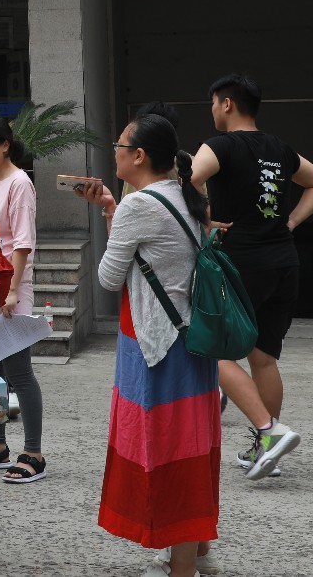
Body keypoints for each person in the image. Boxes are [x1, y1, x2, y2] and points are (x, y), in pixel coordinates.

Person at [79, 111, 221, 577]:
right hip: (190, 340)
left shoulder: (139, 205)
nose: (115, 151)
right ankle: (196, 551)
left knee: (168, 452)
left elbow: (108, 278)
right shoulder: (182, 194)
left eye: (120, 145)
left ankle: (182, 568)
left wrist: (113, 217)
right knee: (192, 448)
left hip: (158, 345)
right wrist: (111, 210)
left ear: (138, 156)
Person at [189, 73, 313, 481]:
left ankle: (270, 434)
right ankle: (266, 451)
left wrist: (205, 221)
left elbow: (189, 179)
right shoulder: (280, 148)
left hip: (240, 264)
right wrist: (291, 222)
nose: (212, 110)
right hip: (284, 262)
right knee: (264, 358)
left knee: (211, 349)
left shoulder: (220, 146)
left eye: (213, 103)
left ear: (227, 103)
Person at [0, 116, 46, 482]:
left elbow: (22, 243)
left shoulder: (20, 182)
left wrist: (13, 289)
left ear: (5, 145)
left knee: (19, 372)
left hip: (11, 287)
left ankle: (33, 452)